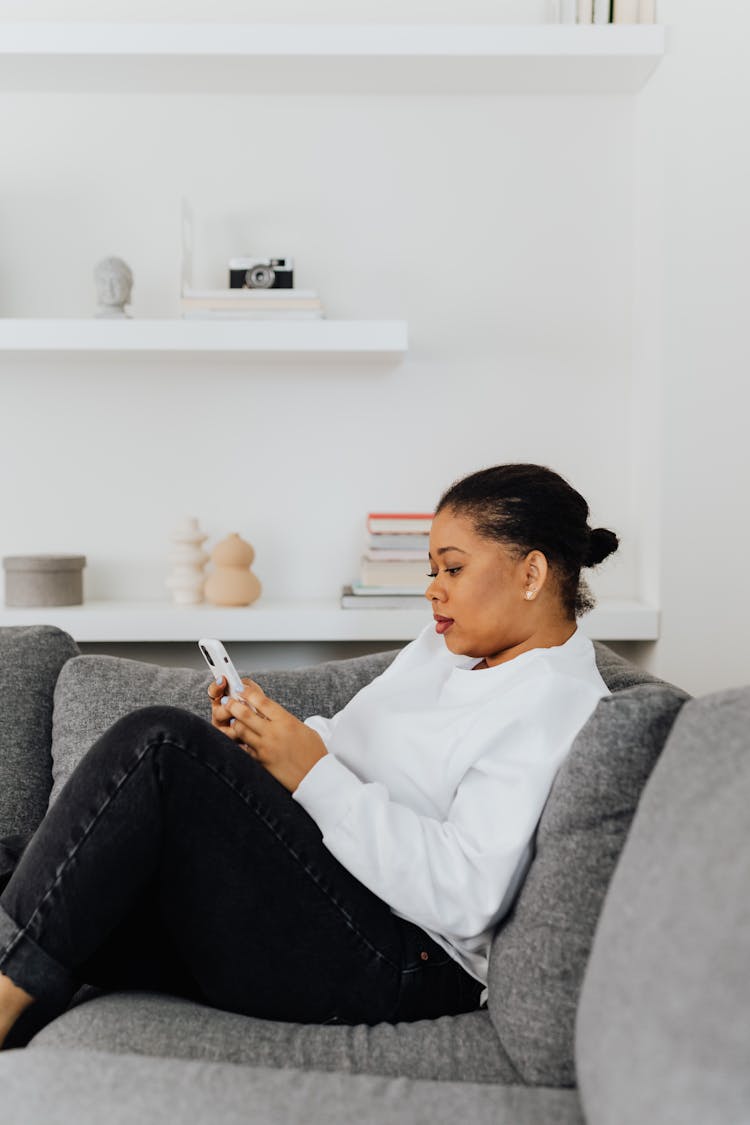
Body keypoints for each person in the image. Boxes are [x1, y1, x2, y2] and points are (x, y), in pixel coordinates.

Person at [0, 463, 619, 1048]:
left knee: (158, 744)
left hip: (404, 956)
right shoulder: (444, 650)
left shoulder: (556, 702)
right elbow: (347, 744)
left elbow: (466, 896)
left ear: (531, 574)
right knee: (61, 863)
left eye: (452, 569)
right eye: (432, 570)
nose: (432, 590)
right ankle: (27, 983)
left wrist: (309, 770)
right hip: (330, 886)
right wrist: (269, 734)